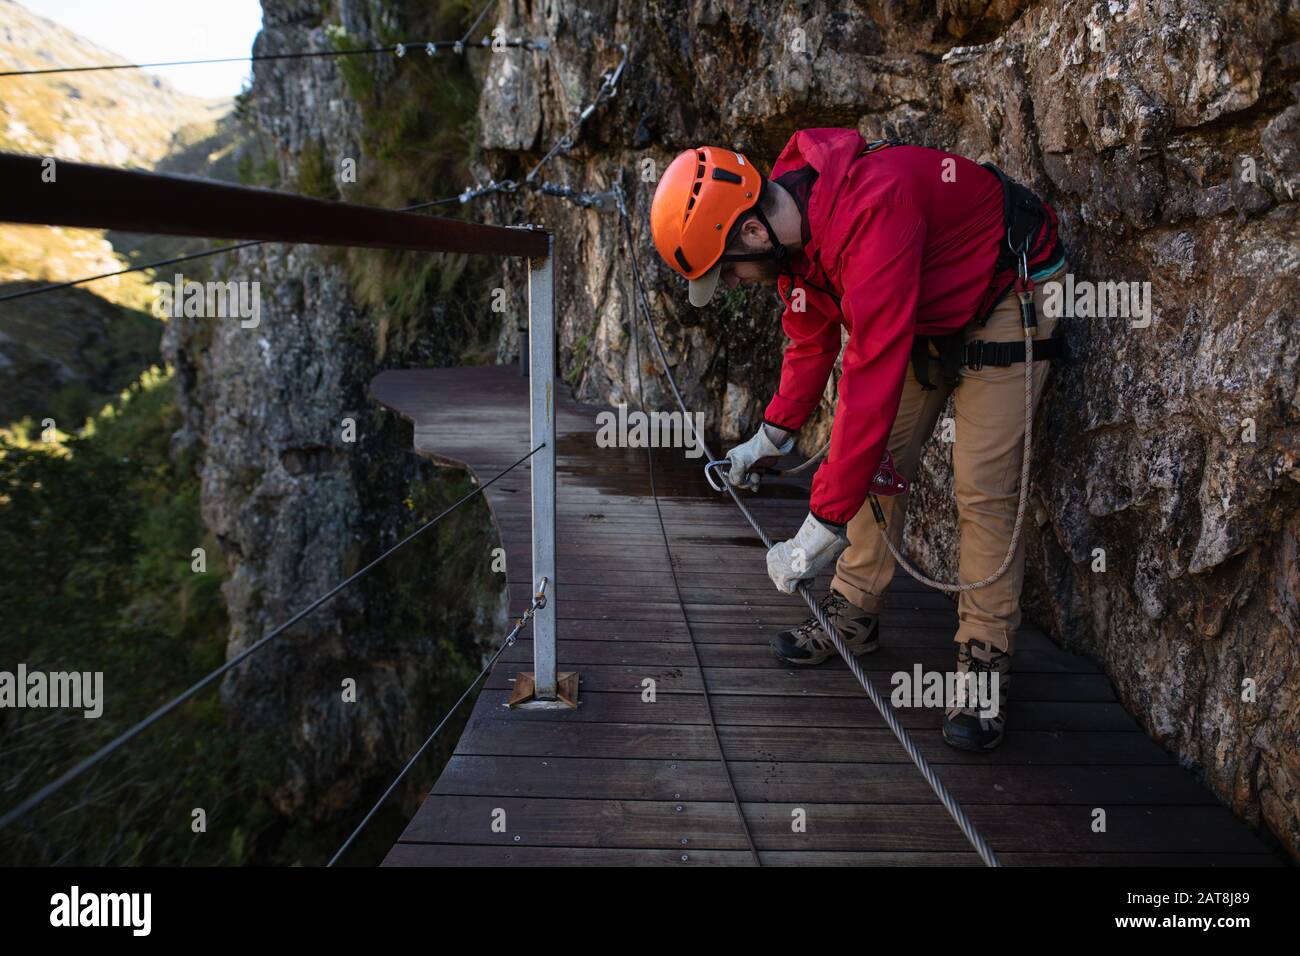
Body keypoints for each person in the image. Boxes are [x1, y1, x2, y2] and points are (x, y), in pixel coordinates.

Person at [647, 128, 1067, 751]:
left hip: (1009, 292)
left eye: (729, 272)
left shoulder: (871, 206)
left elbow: (871, 370)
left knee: (981, 487)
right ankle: (856, 608)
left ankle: (984, 660)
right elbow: (810, 337)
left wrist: (821, 521)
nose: (734, 285)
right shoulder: (795, 234)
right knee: (879, 463)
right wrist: (770, 436)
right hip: (928, 302)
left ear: (753, 233)